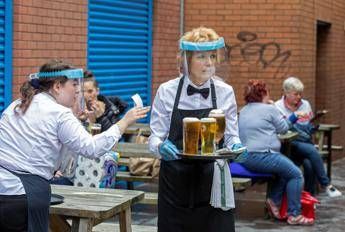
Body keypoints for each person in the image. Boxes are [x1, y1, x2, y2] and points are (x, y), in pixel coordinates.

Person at [0, 60, 150, 232]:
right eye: (74, 85)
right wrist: (125, 121)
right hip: (22, 196)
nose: (78, 91)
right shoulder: (60, 113)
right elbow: (92, 148)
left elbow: (26, 144)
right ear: (57, 86)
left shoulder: (17, 104)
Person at [149, 27, 244, 232]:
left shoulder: (225, 91)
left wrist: (235, 145)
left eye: (212, 56)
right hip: (174, 181)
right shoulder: (167, 90)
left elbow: (231, 134)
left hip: (213, 181)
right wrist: (160, 147)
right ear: (186, 60)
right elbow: (155, 137)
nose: (209, 63)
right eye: (201, 57)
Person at [238, 79, 314, 225]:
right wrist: (294, 116)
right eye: (267, 91)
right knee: (296, 174)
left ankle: (273, 201)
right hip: (263, 156)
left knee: (284, 171)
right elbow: (283, 128)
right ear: (263, 93)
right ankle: (294, 214)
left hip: (245, 158)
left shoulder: (244, 110)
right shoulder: (269, 109)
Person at [275, 76, 342, 197]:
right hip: (289, 146)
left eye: (300, 94)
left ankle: (309, 198)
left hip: (305, 143)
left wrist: (313, 125)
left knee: (309, 165)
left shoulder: (305, 104)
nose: (299, 97)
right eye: (296, 94)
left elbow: (308, 126)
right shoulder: (277, 107)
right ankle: (326, 184)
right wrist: (295, 121)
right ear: (286, 93)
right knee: (311, 150)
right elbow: (282, 130)